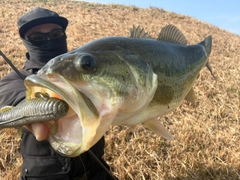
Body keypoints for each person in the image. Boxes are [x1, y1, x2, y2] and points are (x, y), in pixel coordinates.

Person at [0, 7, 116, 180]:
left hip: (97, 173)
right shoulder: (18, 79)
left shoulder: (87, 70)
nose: (49, 40)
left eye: (56, 34)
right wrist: (33, 105)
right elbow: (8, 95)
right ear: (26, 42)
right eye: (37, 38)